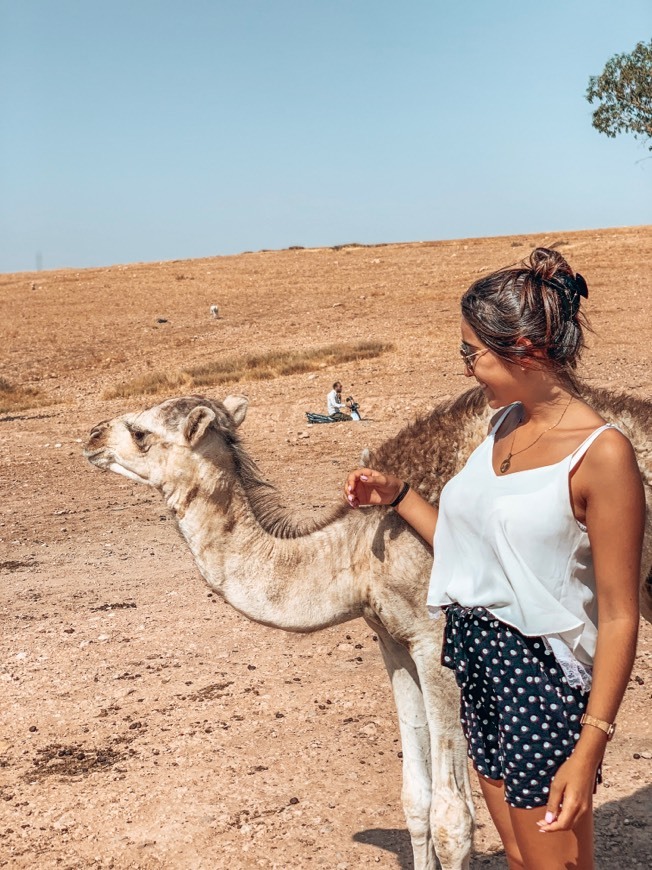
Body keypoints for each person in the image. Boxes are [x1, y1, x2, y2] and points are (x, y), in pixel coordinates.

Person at [344, 248, 644, 869]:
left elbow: (619, 615)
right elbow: (470, 548)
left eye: (472, 353)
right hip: (479, 663)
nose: (467, 368)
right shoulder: (502, 426)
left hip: (540, 680)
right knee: (517, 852)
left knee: (554, 864)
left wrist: (591, 746)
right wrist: (398, 496)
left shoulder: (601, 455)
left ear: (527, 348)